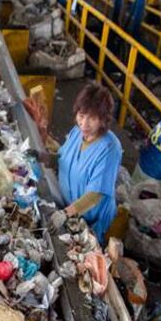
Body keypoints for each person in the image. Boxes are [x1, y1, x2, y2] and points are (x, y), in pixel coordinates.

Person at [54, 83, 123, 243]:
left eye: (92, 118)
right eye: (82, 115)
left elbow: (95, 195)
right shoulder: (77, 132)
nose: (84, 124)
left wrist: (65, 214)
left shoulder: (109, 148)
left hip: (92, 220)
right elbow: (61, 159)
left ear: (103, 120)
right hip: (71, 211)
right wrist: (41, 156)